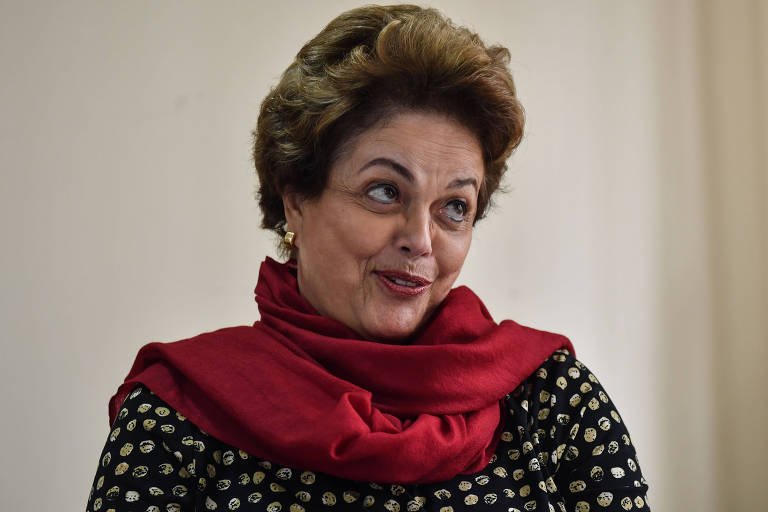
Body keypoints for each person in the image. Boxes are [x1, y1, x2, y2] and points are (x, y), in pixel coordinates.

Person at [86, 5, 649, 512]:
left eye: (454, 206)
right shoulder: (178, 412)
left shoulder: (554, 401)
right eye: (385, 191)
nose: (421, 240)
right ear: (296, 199)